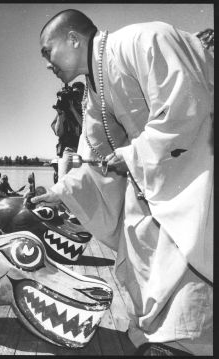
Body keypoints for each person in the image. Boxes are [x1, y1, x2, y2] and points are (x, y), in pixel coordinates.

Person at [35, 9, 213, 355]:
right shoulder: (93, 90)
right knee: (137, 238)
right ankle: (159, 335)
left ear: (73, 39)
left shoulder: (145, 39)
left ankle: (194, 343)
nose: (47, 64)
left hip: (196, 169)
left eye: (47, 51)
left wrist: (132, 154)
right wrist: (59, 192)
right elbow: (95, 156)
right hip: (149, 178)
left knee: (188, 246)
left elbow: (187, 105)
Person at [51, 81, 85, 181]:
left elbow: (85, 126)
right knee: (64, 181)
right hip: (68, 149)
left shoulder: (86, 109)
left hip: (83, 149)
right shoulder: (65, 109)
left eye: (80, 94)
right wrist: (61, 114)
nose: (77, 97)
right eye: (75, 93)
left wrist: (73, 109)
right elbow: (58, 132)